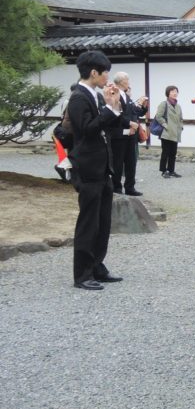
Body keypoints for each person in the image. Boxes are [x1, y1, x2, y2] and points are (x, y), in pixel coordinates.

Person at [66, 50, 126, 290]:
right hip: (88, 167)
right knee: (88, 222)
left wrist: (114, 106)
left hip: (102, 167)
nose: (107, 78)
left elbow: (108, 124)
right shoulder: (79, 97)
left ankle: (97, 265)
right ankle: (82, 273)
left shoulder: (96, 95)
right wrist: (108, 111)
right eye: (105, 73)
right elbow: (87, 129)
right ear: (94, 73)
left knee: (102, 221)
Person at [110, 72, 148, 196]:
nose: (129, 82)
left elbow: (135, 112)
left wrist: (143, 106)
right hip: (119, 134)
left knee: (131, 162)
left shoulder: (126, 96)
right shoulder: (114, 94)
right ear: (122, 81)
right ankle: (117, 187)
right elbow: (116, 115)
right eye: (127, 80)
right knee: (118, 163)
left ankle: (130, 187)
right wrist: (129, 123)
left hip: (131, 135)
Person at [154, 86, 184, 178]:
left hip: (175, 133)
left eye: (176, 91)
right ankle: (163, 171)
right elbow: (158, 116)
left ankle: (171, 170)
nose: (175, 93)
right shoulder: (164, 104)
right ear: (168, 93)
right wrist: (165, 125)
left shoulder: (178, 106)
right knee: (165, 152)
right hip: (166, 133)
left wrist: (181, 127)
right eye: (172, 91)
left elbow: (180, 118)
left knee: (173, 153)